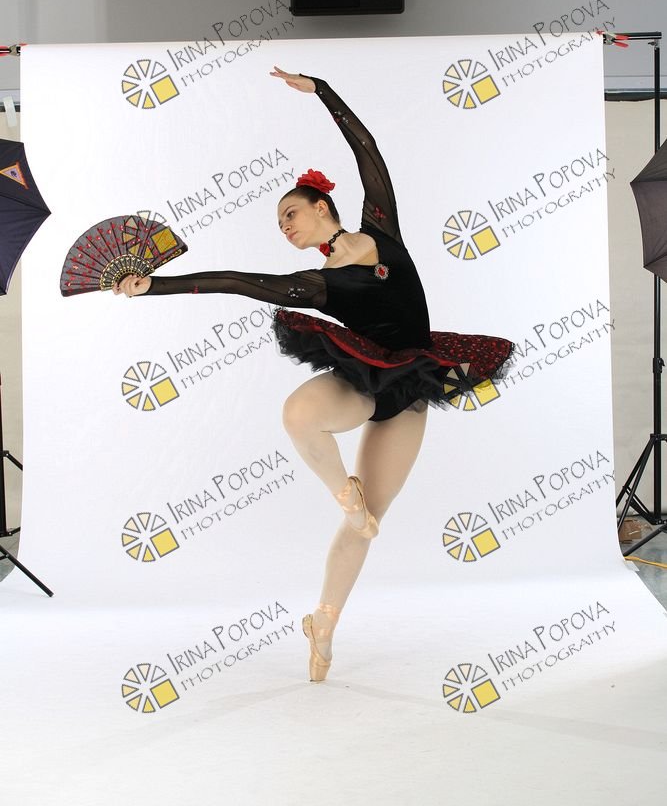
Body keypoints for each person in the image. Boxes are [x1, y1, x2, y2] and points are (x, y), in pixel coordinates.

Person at [114, 67, 514, 683]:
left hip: (410, 386)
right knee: (300, 415)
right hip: (363, 383)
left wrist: (323, 90)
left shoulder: (381, 228)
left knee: (371, 524)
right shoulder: (316, 284)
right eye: (280, 224)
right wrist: (155, 286)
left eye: (291, 214)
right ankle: (343, 493)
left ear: (322, 205)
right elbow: (237, 282)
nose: (286, 227)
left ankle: (322, 622)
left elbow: (367, 151)